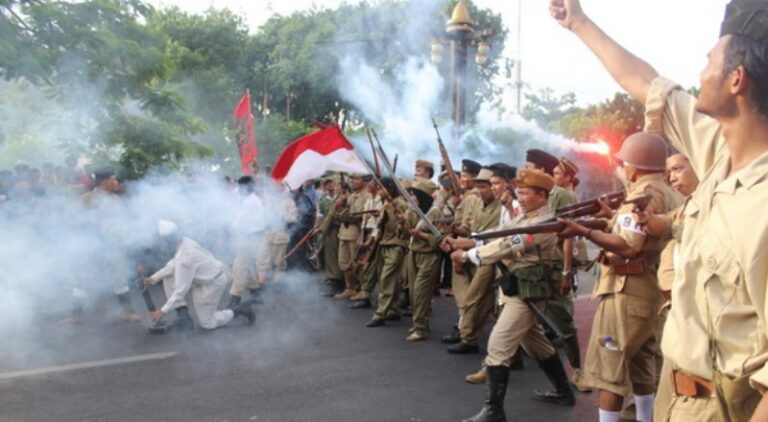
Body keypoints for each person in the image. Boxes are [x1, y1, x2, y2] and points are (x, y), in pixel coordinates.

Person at [551, 0, 768, 420]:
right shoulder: (720, 150)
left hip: (725, 407)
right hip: (679, 394)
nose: (701, 70)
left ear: (736, 79)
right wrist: (578, 21)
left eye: (710, 59)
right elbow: (647, 83)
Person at [557, 132, 682, 422]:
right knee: (642, 365)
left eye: (626, 164)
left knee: (607, 371)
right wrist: (611, 217)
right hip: (650, 290)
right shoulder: (668, 191)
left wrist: (584, 231)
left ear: (634, 167)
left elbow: (628, 245)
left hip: (625, 292)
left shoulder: (640, 195)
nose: (624, 168)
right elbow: (640, 231)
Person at [454, 169, 576, 422]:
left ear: (542, 195)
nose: (518, 196)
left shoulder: (544, 223)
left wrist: (468, 255)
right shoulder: (526, 217)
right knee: (536, 344)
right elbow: (498, 234)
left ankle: (494, 410)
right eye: (518, 192)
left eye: (524, 192)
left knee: (498, 345)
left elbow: (508, 245)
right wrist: (466, 243)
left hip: (527, 292)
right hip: (517, 288)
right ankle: (564, 392)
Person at [144, 220, 254, 330]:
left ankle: (238, 310)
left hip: (212, 283)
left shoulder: (185, 259)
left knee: (208, 323)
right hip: (201, 277)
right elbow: (173, 264)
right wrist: (153, 278)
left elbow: (180, 290)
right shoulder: (184, 241)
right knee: (168, 278)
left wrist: (162, 312)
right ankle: (184, 318)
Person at [405, 177, 444, 341]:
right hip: (414, 253)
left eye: (415, 194)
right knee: (413, 291)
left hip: (429, 256)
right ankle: (419, 323)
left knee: (421, 292)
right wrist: (404, 225)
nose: (412, 197)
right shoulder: (413, 210)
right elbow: (406, 231)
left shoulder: (435, 213)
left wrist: (420, 234)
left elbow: (439, 240)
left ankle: (420, 329)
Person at [228, 176, 266, 307]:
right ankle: (256, 293)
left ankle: (235, 298)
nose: (238, 190)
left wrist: (230, 229)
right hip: (251, 236)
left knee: (240, 267)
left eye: (240, 187)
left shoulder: (250, 202)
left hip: (249, 237)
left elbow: (240, 222)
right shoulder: (251, 200)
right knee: (247, 265)